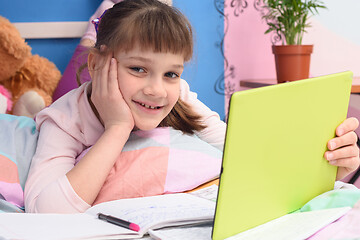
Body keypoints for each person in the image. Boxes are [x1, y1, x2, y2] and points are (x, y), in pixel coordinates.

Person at [24, 0, 360, 213]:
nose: (157, 90)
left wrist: (332, 168)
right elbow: (46, 213)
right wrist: (117, 128)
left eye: (170, 73)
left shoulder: (179, 96)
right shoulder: (66, 118)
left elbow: (246, 151)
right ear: (97, 64)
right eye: (138, 69)